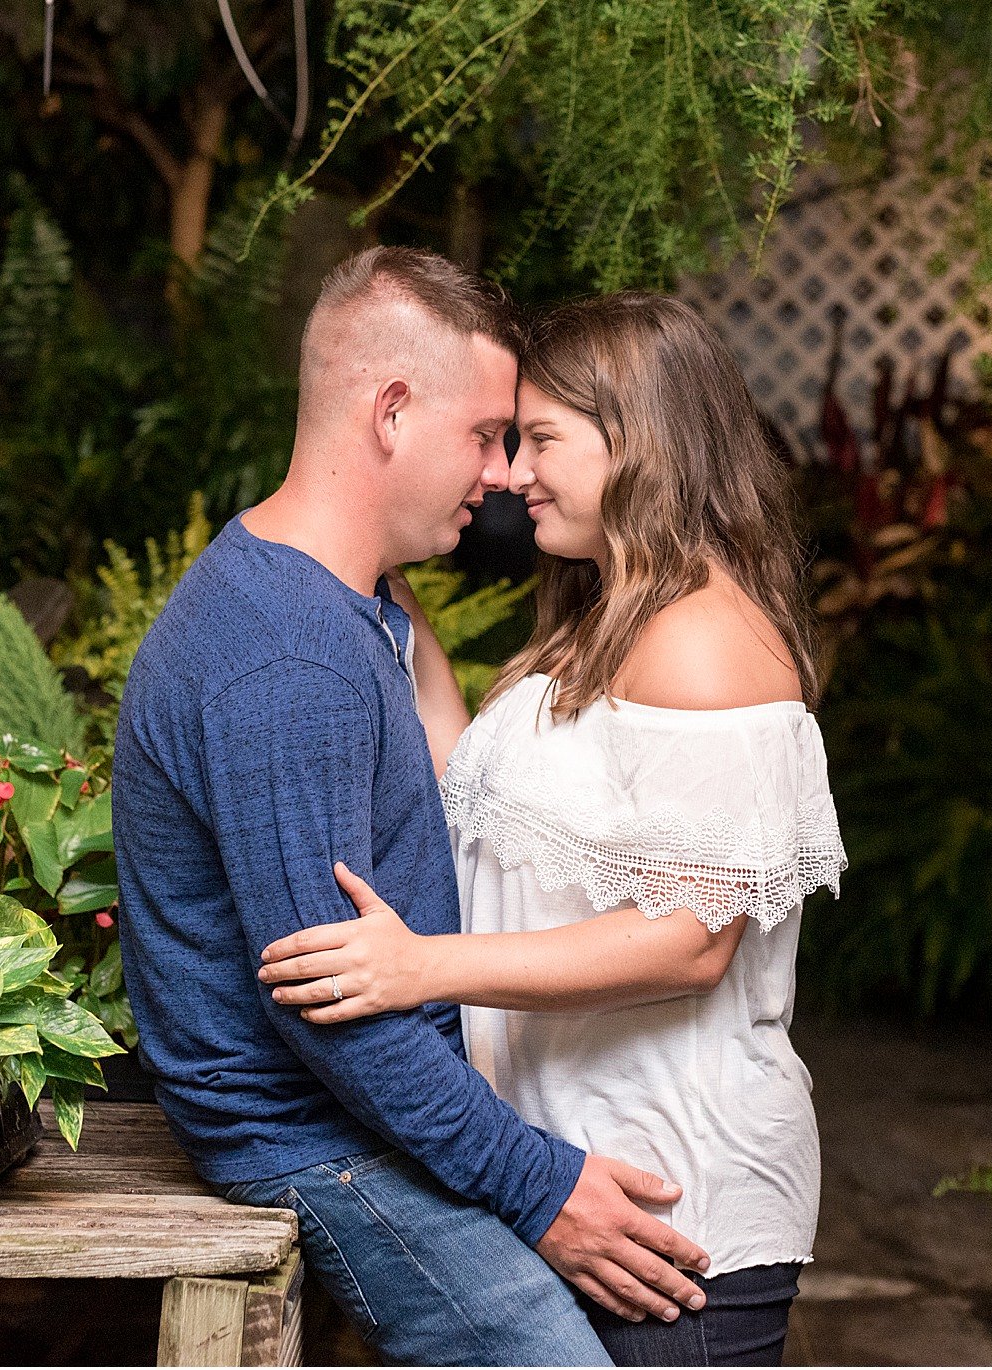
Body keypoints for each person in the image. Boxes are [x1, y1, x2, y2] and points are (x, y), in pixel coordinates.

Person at [111, 249, 713, 1367]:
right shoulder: (286, 659)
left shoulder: (327, 598)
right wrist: (540, 1185)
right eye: (485, 432)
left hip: (364, 1122)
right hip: (317, 1140)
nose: (496, 472)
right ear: (390, 411)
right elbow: (325, 1002)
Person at [256, 293, 848, 1367]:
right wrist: (363, 569)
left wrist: (419, 967)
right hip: (567, 1186)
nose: (511, 472)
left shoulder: (704, 643)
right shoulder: (595, 619)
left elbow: (689, 938)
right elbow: (467, 789)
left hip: (671, 1210)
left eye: (538, 440)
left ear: (635, 443)